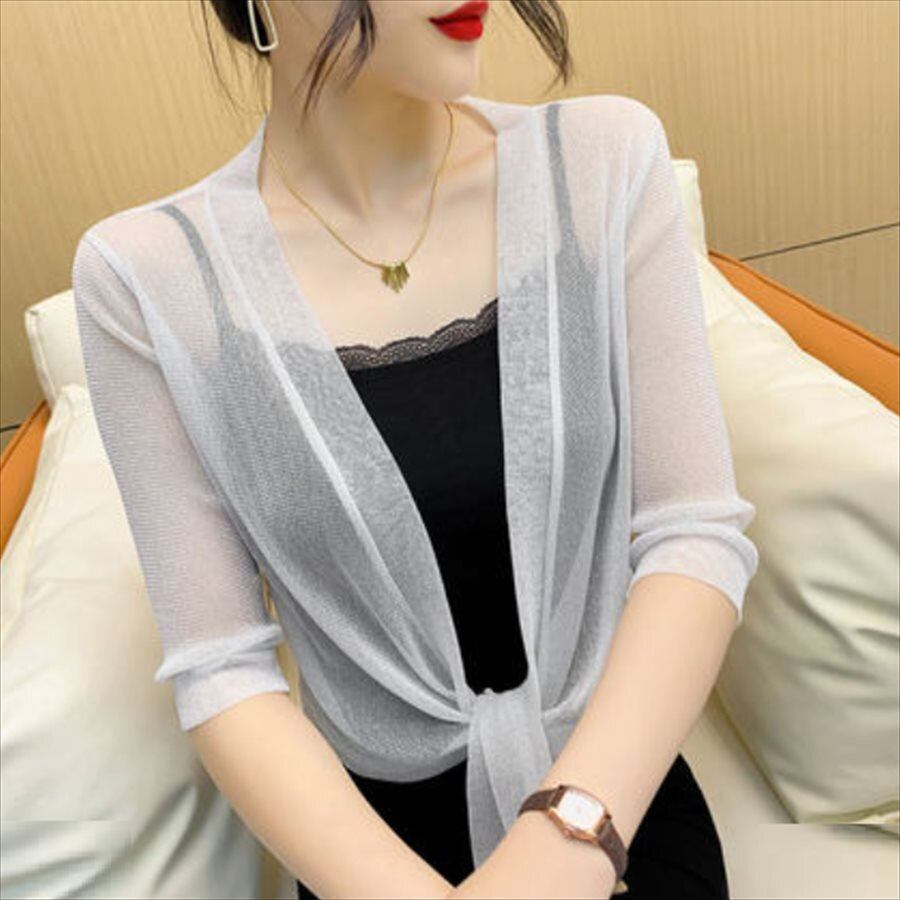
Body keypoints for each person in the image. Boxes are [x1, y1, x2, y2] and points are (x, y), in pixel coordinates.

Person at [73, 1, 758, 897]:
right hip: (369, 858)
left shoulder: (600, 161)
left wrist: (563, 848)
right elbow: (221, 667)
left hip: (618, 811)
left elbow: (693, 535)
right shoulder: (147, 281)